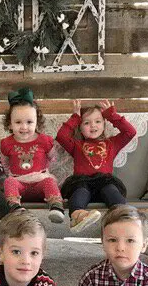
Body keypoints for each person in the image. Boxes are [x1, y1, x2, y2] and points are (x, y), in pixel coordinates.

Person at [56, 99, 137, 233]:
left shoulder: (112, 143)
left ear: (104, 124)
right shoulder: (77, 145)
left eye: (98, 121)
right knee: (80, 192)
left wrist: (112, 116)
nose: (93, 125)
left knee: (112, 190)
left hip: (105, 182)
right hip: (82, 182)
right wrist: (75, 117)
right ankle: (78, 216)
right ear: (80, 127)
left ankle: (124, 218)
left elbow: (130, 132)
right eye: (86, 123)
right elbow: (61, 136)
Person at [0, 88, 65, 223]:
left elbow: (53, 157)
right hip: (19, 183)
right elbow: (4, 163)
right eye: (18, 122)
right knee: (8, 181)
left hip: (40, 181)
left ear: (37, 122)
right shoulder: (6, 143)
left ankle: (56, 206)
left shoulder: (44, 140)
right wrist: (14, 176)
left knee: (50, 181)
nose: (24, 127)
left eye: (29, 122)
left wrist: (43, 171)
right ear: (10, 124)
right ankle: (15, 207)